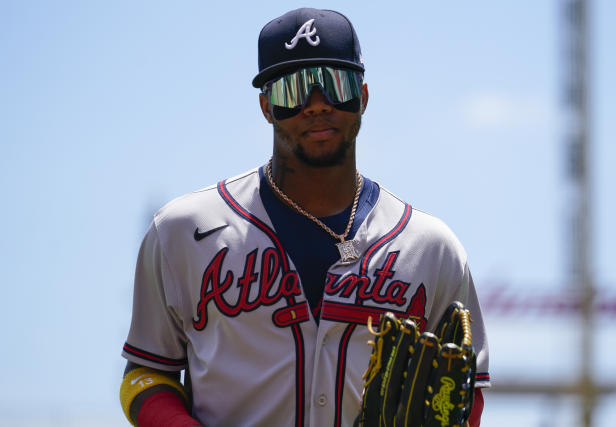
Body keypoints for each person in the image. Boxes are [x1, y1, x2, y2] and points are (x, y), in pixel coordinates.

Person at [120, 7, 491, 427]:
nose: (316, 105)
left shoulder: (430, 247)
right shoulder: (184, 231)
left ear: (363, 97)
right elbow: (146, 373)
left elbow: (466, 390)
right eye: (292, 89)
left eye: (335, 84)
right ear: (265, 107)